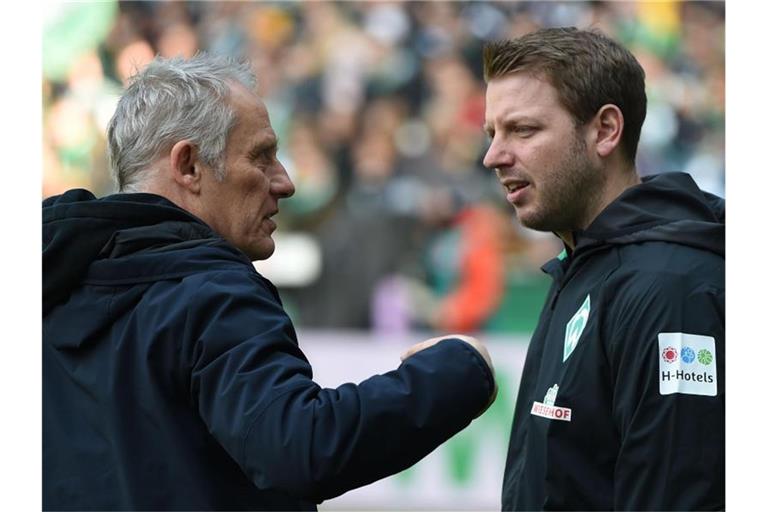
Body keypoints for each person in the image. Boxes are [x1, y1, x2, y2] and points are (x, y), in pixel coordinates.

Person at [42, 53, 497, 511]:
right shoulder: (212, 292)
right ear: (188, 166)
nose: (285, 182)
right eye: (262, 157)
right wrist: (458, 370)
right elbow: (301, 447)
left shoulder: (49, 287)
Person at [481, 27, 724, 510]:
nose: (493, 156)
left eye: (523, 130)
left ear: (606, 130)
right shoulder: (582, 265)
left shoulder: (670, 289)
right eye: (493, 134)